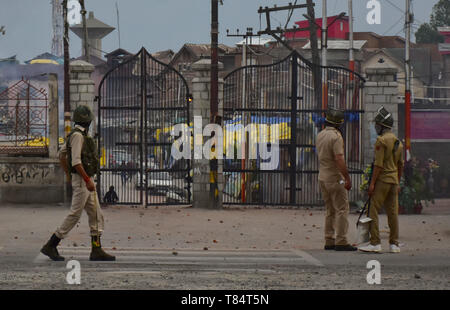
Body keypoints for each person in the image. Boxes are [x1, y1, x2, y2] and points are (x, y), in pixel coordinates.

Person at [40, 105, 115, 261]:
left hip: (84, 179)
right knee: (75, 214)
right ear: (87, 121)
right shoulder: (78, 136)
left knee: (96, 214)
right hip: (83, 180)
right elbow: (76, 162)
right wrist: (86, 180)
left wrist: (69, 174)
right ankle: (51, 244)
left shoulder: (77, 134)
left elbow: (61, 154)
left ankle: (96, 249)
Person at [359, 106, 404, 253]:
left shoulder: (381, 141)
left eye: (377, 125)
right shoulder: (398, 142)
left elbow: (378, 165)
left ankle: (375, 243)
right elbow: (400, 165)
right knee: (393, 213)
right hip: (393, 181)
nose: (376, 127)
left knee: (373, 210)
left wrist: (371, 184)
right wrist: (397, 181)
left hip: (382, 181)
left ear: (382, 126)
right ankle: (394, 244)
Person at [316, 107, 357, 251]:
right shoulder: (336, 136)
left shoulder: (320, 135)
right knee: (342, 209)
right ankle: (341, 240)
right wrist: (346, 177)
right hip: (335, 177)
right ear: (339, 124)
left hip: (323, 177)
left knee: (330, 210)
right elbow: (339, 158)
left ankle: (329, 239)